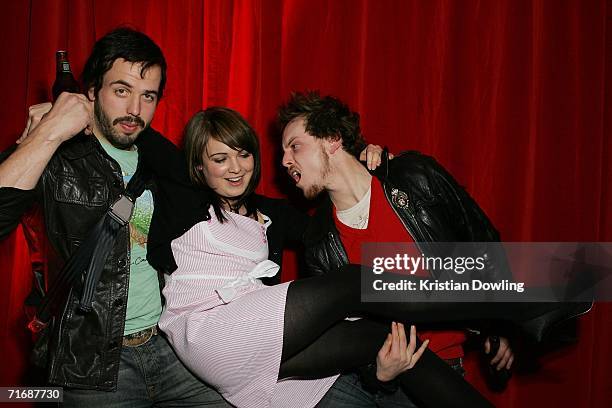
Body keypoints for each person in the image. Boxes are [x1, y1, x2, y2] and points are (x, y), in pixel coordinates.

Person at [142, 107, 587, 408]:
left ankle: (532, 301)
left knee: (375, 333)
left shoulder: (276, 215)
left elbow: (333, 221)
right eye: (220, 159)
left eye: (244, 154)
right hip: (210, 328)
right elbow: (137, 133)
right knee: (359, 282)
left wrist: (372, 162)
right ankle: (534, 297)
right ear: (198, 167)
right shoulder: (186, 196)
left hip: (253, 347)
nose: (237, 167)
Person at [276, 91, 585, 406]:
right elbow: (339, 335)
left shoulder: (413, 177)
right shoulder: (318, 241)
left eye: (295, 146)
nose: (285, 160)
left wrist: (501, 323)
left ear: (331, 139)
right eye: (284, 152)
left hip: (440, 369)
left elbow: (482, 243)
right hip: (364, 381)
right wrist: (377, 372)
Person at [0, 28, 231, 407]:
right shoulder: (60, 158)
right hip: (94, 364)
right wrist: (49, 133)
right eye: (122, 91)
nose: (135, 110)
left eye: (148, 96)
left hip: (172, 347)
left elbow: (211, 195)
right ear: (91, 91)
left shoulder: (158, 162)